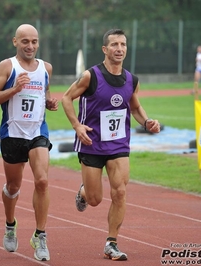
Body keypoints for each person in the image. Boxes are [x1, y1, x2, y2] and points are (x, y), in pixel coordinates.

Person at [61, 29, 161, 261]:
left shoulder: (131, 80)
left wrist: (147, 122)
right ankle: (84, 191)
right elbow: (66, 98)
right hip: (92, 143)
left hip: (118, 144)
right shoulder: (90, 76)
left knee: (120, 192)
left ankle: (111, 242)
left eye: (123, 44)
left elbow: (135, 107)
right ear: (105, 49)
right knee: (95, 199)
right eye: (114, 44)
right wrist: (77, 126)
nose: (119, 48)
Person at [0, 24, 58, 261]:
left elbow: (44, 94)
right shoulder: (8, 66)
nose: (30, 46)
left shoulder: (46, 68)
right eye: (25, 41)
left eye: (34, 41)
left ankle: (40, 235)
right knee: (13, 187)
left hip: (38, 132)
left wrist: (49, 102)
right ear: (15, 41)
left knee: (43, 181)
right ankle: (10, 224)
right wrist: (14, 89)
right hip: (12, 134)